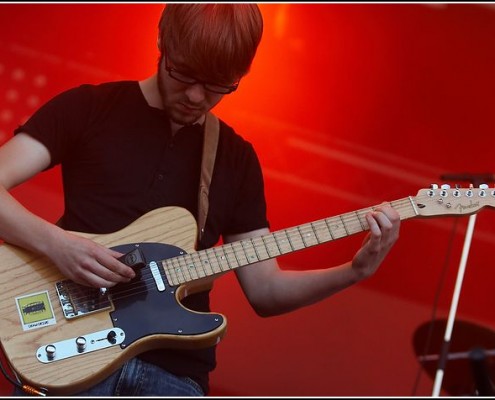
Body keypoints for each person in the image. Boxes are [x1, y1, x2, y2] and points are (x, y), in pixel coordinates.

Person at [0, 3, 401, 397]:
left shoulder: (235, 158)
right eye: (184, 74)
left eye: (217, 85)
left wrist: (354, 271)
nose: (195, 95)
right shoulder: (89, 108)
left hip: (174, 378)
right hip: (74, 361)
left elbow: (266, 291)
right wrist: (58, 245)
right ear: (162, 41)